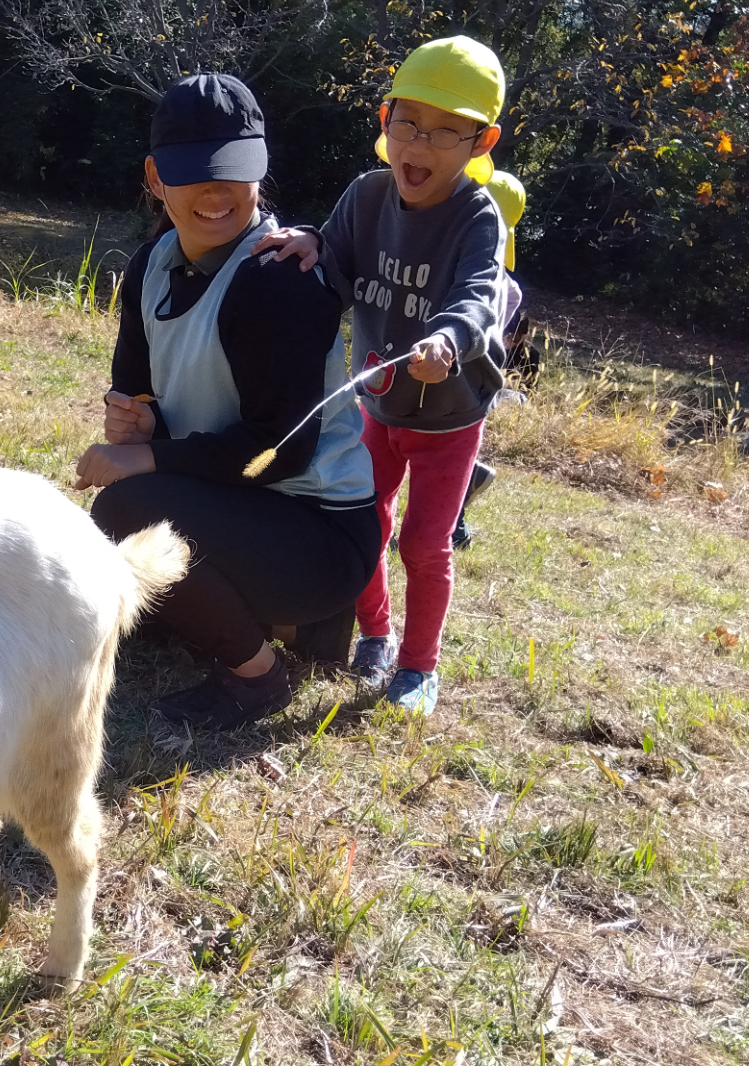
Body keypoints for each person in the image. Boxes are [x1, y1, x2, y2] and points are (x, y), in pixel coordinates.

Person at [74, 74, 378, 731]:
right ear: (155, 178)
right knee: (114, 559)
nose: (216, 193)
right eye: (194, 175)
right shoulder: (151, 265)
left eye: (233, 172)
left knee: (126, 510)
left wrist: (149, 459)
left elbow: (282, 449)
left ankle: (258, 679)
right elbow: (137, 390)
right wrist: (137, 421)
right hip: (245, 507)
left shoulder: (277, 279)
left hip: (317, 533)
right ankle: (294, 626)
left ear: (260, 170)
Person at [255, 36, 511, 716]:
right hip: (378, 407)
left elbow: (480, 293)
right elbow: (336, 261)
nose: (418, 147)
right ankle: (375, 635)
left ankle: (418, 669)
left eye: (443, 132)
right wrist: (309, 239)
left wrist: (448, 340)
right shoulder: (367, 196)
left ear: (481, 141)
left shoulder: (476, 217)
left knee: (423, 543)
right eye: (408, 124)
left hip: (449, 419)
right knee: (362, 521)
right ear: (384, 119)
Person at [452, 168, 529, 551]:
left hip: (454, 368)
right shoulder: (511, 288)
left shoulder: (459, 264)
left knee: (438, 457)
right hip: (483, 377)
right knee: (452, 457)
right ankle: (461, 511)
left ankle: (455, 527)